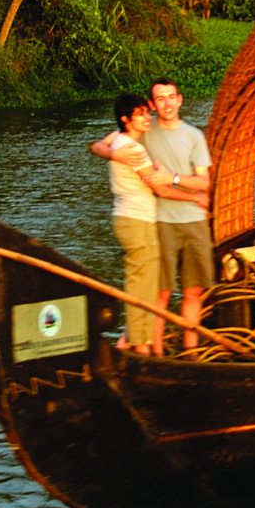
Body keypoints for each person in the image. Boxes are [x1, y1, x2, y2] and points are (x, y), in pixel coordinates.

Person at [89, 94, 205, 354]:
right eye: (140, 113)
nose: (147, 117)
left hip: (129, 218)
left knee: (143, 283)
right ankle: (140, 346)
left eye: (146, 112)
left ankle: (132, 341)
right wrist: (195, 196)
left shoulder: (119, 141)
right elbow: (160, 189)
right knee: (142, 285)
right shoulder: (134, 149)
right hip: (136, 220)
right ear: (126, 119)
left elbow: (98, 144)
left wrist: (106, 151)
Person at [143, 78, 215, 350]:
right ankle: (156, 351)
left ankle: (191, 351)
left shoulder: (194, 135)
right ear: (152, 105)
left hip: (194, 221)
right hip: (162, 222)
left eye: (171, 97)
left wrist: (172, 177)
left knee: (193, 291)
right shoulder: (145, 134)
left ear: (180, 99)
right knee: (162, 291)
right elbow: (110, 143)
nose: (167, 103)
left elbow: (203, 182)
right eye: (160, 99)